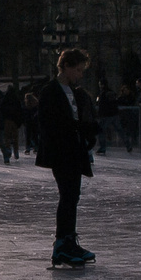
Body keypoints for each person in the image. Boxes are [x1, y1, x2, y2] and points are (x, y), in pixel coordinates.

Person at [36, 49, 99, 266]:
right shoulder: (50, 91)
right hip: (61, 152)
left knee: (72, 196)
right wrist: (77, 127)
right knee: (68, 195)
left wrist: (88, 132)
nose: (81, 74)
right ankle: (62, 244)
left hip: (74, 151)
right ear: (67, 67)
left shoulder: (75, 92)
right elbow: (49, 123)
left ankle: (68, 240)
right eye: (79, 70)